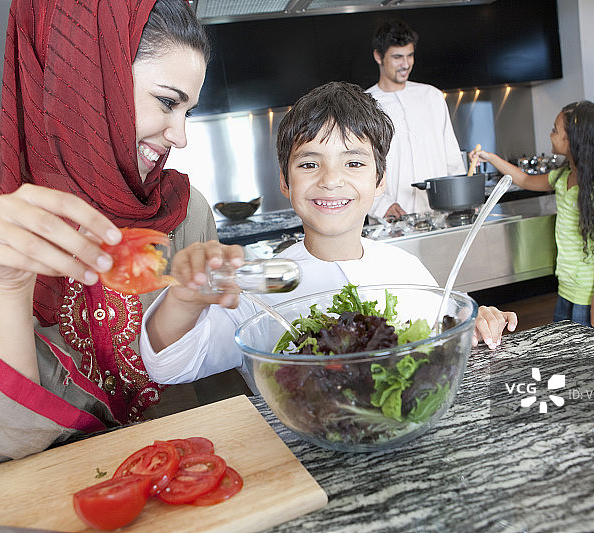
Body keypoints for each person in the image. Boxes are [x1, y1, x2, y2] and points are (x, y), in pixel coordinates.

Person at [0, 0, 240, 476]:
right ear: (82, 81)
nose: (181, 136)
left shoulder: (185, 211)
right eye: (168, 102)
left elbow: (217, 391)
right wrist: (7, 290)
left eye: (189, 110)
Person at [140, 81, 517, 387]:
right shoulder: (260, 286)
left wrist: (479, 322)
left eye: (353, 162)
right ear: (285, 182)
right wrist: (184, 300)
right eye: (309, 164)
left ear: (380, 180)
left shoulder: (407, 269)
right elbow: (170, 365)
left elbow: (448, 334)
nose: (331, 179)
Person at [469, 101, 594, 331]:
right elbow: (524, 180)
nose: (551, 134)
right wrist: (491, 158)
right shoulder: (562, 177)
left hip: (589, 295)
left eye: (555, 130)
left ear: (572, 141)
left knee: (588, 353)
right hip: (567, 289)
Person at [366, 19, 466, 220]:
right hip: (390, 219)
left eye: (410, 55)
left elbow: (452, 158)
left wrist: (459, 200)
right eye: (397, 57)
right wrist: (380, 206)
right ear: (378, 56)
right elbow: (356, 166)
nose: (405, 64)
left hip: (439, 215)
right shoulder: (365, 105)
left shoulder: (432, 96)